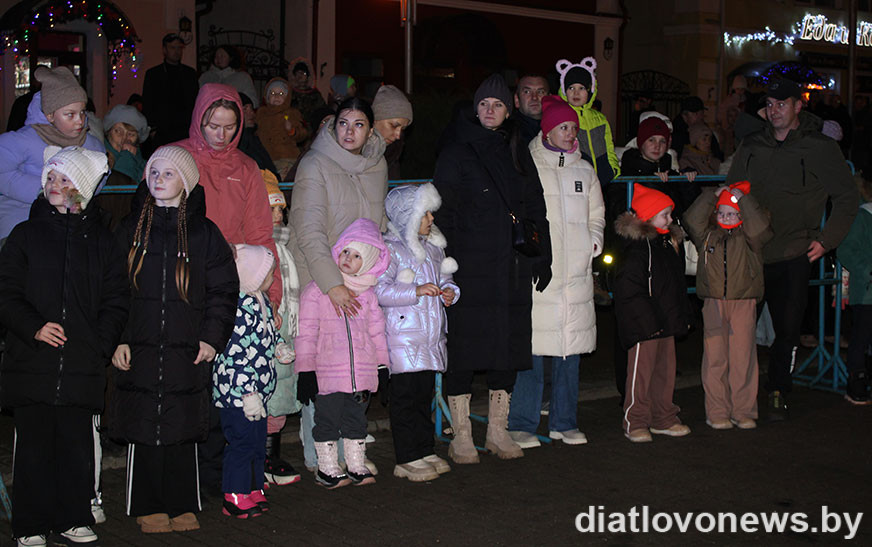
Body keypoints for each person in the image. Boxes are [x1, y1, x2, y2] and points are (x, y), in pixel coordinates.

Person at [0, 146, 128, 547]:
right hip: (33, 360)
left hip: (81, 363)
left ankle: (73, 516)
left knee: (76, 446)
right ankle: (30, 523)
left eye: (66, 179)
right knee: (34, 447)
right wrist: (33, 327)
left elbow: (116, 298)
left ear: (84, 189)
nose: (55, 185)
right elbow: (6, 291)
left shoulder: (102, 242)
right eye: (51, 178)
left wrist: (100, 344)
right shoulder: (25, 236)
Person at [110, 146, 239, 533]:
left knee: (183, 422)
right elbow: (112, 288)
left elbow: (223, 290)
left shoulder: (204, 233)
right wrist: (118, 337)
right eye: (153, 172)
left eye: (168, 173)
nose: (159, 179)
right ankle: (147, 503)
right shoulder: (131, 229)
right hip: (141, 344)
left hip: (187, 346)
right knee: (144, 422)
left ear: (186, 182)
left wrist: (212, 338)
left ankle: (182, 500)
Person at [433, 73, 550, 463]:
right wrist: (445, 265)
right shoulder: (456, 149)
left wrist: (542, 254)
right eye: (483, 103)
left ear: (508, 110)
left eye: (497, 104)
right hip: (469, 267)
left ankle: (498, 431)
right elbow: (443, 212)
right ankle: (462, 435)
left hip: (512, 267)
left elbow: (534, 205)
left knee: (508, 346)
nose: (489, 111)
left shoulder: (517, 149)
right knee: (464, 347)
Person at [726, 79, 859, 420]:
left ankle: (777, 390)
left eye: (782, 104)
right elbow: (733, 188)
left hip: (794, 252)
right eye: (769, 104)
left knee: (787, 331)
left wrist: (827, 240)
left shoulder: (820, 147)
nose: (774, 110)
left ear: (799, 106)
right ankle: (736, 396)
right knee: (740, 330)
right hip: (752, 251)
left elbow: (847, 197)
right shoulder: (753, 144)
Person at [176, 83, 282, 495]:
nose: (221, 135)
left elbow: (261, 234)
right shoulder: (178, 158)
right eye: (213, 125)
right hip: (186, 283)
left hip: (233, 288)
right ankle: (191, 473)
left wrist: (271, 294)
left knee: (228, 383)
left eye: (229, 126)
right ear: (199, 119)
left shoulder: (247, 167)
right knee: (192, 380)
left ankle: (224, 475)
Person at [286, 96, 387, 473]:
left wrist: (373, 274)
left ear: (370, 131)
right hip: (321, 280)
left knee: (355, 362)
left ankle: (351, 451)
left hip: (359, 283)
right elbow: (308, 231)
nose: (349, 132)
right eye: (343, 123)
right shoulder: (315, 164)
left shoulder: (377, 165)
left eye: (359, 124)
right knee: (323, 365)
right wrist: (331, 284)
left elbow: (377, 227)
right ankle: (321, 457)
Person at [507, 96, 604, 448]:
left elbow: (596, 213)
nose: (570, 133)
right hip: (541, 271)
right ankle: (522, 422)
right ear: (547, 131)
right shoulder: (529, 164)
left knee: (570, 350)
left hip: (575, 272)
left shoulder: (585, 170)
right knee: (533, 348)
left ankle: (564, 421)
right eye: (564, 127)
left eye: (573, 128)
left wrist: (594, 241)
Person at [295, 218, 390, 488]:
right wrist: (306, 371)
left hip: (361, 375)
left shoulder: (368, 296)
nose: (348, 258)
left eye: (357, 255)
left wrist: (382, 366)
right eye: (346, 251)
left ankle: (355, 464)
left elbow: (377, 334)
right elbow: (306, 332)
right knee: (326, 419)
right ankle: (326, 467)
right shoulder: (318, 291)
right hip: (327, 375)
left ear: (368, 262)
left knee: (356, 420)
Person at [375, 184, 459, 481]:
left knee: (424, 395)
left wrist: (449, 292)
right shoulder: (390, 250)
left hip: (430, 337)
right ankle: (407, 456)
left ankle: (424, 448)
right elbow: (380, 291)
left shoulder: (434, 248)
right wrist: (415, 291)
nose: (431, 219)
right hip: (403, 339)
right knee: (405, 398)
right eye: (424, 214)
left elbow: (447, 280)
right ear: (407, 216)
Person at [684, 181, 773, 430]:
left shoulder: (751, 238)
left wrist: (743, 199)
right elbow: (692, 219)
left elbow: (761, 229)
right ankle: (717, 411)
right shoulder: (707, 235)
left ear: (742, 216)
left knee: (743, 358)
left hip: (743, 301)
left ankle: (743, 410)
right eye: (722, 213)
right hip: (714, 302)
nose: (726, 217)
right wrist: (711, 196)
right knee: (715, 359)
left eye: (733, 213)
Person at [213, 244, 289, 517]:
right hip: (239, 394)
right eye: (267, 273)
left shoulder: (261, 301)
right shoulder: (236, 308)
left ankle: (253, 486)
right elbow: (235, 354)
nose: (272, 277)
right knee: (241, 442)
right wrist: (247, 392)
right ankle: (234, 494)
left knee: (257, 442)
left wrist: (279, 346)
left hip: (259, 390)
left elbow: (266, 334)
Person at [613, 184, 691, 443]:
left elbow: (676, 285)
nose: (670, 219)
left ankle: (663, 417)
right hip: (644, 325)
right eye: (664, 215)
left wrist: (680, 316)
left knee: (665, 373)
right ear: (648, 216)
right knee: (641, 374)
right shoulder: (637, 248)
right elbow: (629, 290)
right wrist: (646, 322)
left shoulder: (667, 243)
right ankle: (635, 420)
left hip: (665, 320)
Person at [0, 66, 105, 241]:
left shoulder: (91, 144)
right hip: (21, 214)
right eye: (70, 115)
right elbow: (2, 172)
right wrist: (45, 189)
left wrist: (78, 194)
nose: (80, 121)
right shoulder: (25, 139)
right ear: (50, 116)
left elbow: (99, 175)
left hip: (71, 218)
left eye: (82, 112)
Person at [262, 173, 303, 485]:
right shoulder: (260, 249)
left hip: (286, 327)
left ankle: (270, 456)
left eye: (280, 209)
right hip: (265, 329)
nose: (278, 215)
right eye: (271, 209)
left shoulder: (284, 248)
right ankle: (262, 458)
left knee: (281, 390)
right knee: (266, 392)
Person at [555, 57, 620, 189]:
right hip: (574, 181)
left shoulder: (600, 118)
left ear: (590, 90)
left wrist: (613, 169)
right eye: (571, 88)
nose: (576, 93)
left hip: (602, 180)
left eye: (582, 88)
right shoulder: (561, 116)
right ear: (564, 90)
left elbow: (609, 146)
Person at [836, 175, 872, 404]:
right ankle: (856, 384)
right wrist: (868, 270)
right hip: (867, 292)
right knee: (861, 337)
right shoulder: (862, 217)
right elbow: (846, 250)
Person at [142, 34, 199, 148]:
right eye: (173, 48)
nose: (177, 51)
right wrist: (152, 129)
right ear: (164, 50)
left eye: (179, 48)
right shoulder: (153, 74)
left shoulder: (190, 73)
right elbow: (147, 103)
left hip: (185, 130)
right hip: (162, 131)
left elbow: (196, 102)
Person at [256, 78, 308, 179]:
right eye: (272, 93)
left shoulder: (291, 113)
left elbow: (302, 133)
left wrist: (291, 130)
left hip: (286, 157)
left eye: (281, 94)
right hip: (267, 157)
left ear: (287, 97)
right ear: (267, 97)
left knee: (284, 179)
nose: (276, 96)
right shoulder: (261, 114)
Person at [372, 84, 413, 179]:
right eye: (394, 126)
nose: (398, 135)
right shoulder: (352, 149)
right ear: (375, 119)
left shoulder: (394, 153)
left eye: (403, 129)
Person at [103, 104, 149, 183]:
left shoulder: (146, 167)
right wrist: (127, 157)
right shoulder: (99, 162)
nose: (124, 139)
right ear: (108, 133)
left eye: (131, 134)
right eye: (118, 131)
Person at [238, 93, 280, 179]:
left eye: (251, 109)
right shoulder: (237, 142)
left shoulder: (253, 136)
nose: (251, 113)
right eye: (245, 109)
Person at [671, 96, 722, 160]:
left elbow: (716, 152)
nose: (702, 117)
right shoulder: (677, 133)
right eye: (701, 113)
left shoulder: (702, 128)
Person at [289, 57, 326, 126]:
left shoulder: (314, 94)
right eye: (298, 73)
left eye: (303, 73)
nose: (300, 76)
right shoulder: (289, 93)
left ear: (308, 76)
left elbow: (322, 111)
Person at [513, 74, 549, 145]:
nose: (534, 97)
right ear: (517, 100)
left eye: (540, 92)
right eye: (527, 92)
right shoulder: (506, 136)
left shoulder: (561, 130)